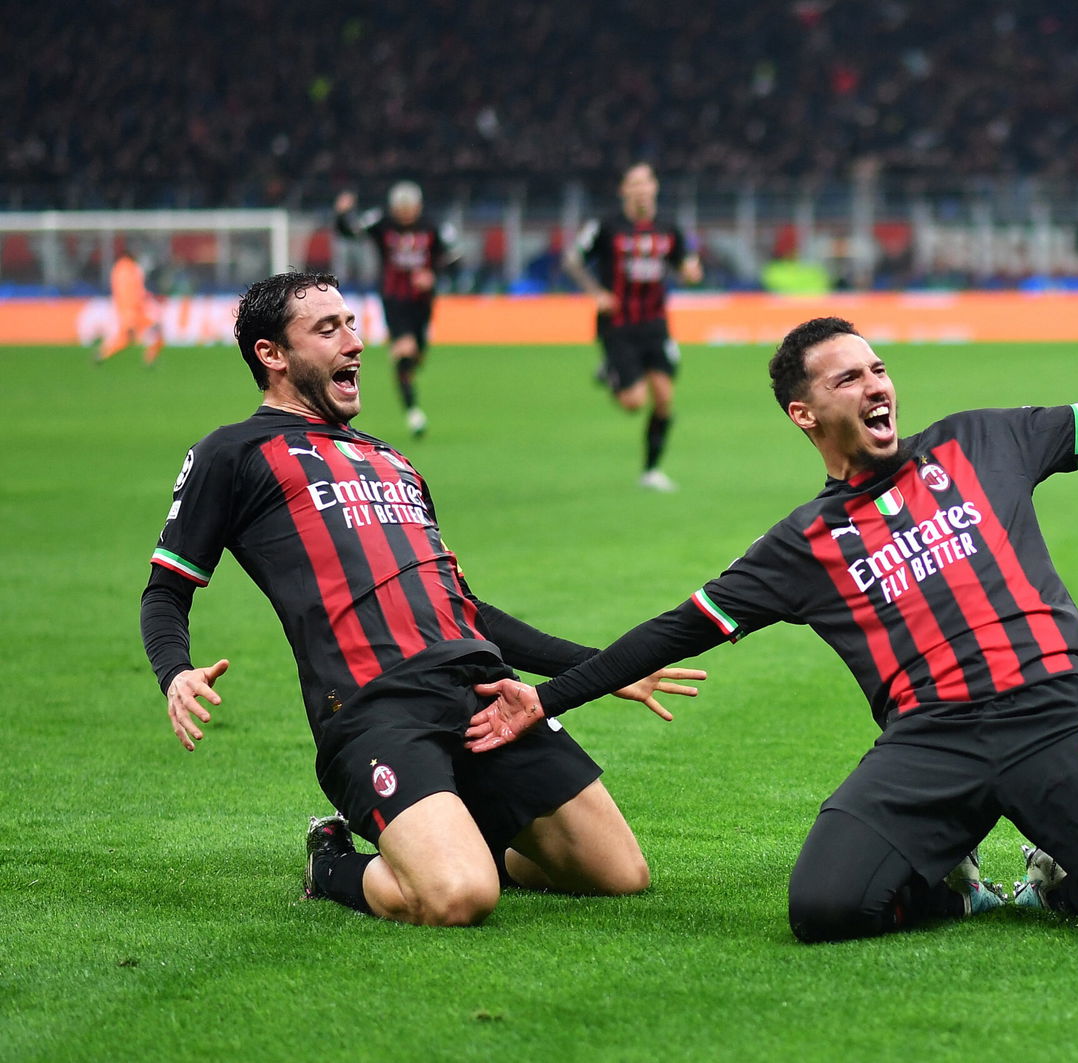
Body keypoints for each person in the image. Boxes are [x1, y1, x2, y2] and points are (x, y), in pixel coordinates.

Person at [463, 300, 1078, 945]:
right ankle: (949, 881)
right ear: (805, 414)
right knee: (824, 910)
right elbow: (677, 628)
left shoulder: (981, 441)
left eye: (878, 367)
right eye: (850, 376)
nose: (877, 383)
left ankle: (1061, 873)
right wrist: (549, 699)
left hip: (1056, 711)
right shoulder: (804, 543)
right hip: (932, 740)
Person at [141, 271, 704, 927]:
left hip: (484, 688)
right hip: (375, 706)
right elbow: (165, 591)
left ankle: (457, 833)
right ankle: (331, 863)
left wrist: (604, 668)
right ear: (272, 354)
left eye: (352, 324)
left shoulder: (392, 461)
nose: (353, 342)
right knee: (458, 897)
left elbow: (465, 611)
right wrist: (174, 671)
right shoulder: (232, 453)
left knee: (619, 875)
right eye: (327, 329)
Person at [564, 163, 703, 492]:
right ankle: (610, 371)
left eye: (646, 183)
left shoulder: (669, 227)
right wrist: (596, 292)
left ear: (654, 188)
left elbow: (686, 267)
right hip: (618, 324)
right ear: (624, 190)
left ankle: (651, 470)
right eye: (634, 184)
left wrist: (691, 272)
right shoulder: (607, 226)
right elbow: (573, 259)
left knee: (665, 398)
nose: (641, 189)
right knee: (633, 403)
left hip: (655, 323)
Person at [334, 182, 457, 437]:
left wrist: (433, 275)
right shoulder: (382, 223)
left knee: (415, 358)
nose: (404, 213)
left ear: (418, 207)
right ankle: (414, 414)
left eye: (409, 208)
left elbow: (454, 261)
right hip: (394, 299)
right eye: (400, 208)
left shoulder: (432, 227)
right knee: (404, 351)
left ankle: (407, 379)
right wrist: (342, 214)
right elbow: (350, 232)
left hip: (422, 303)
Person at [97, 249, 164, 365]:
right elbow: (131, 291)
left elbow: (130, 290)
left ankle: (103, 354)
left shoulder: (118, 269)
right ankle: (104, 354)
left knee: (129, 337)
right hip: (133, 310)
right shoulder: (129, 269)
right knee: (131, 336)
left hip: (128, 309)